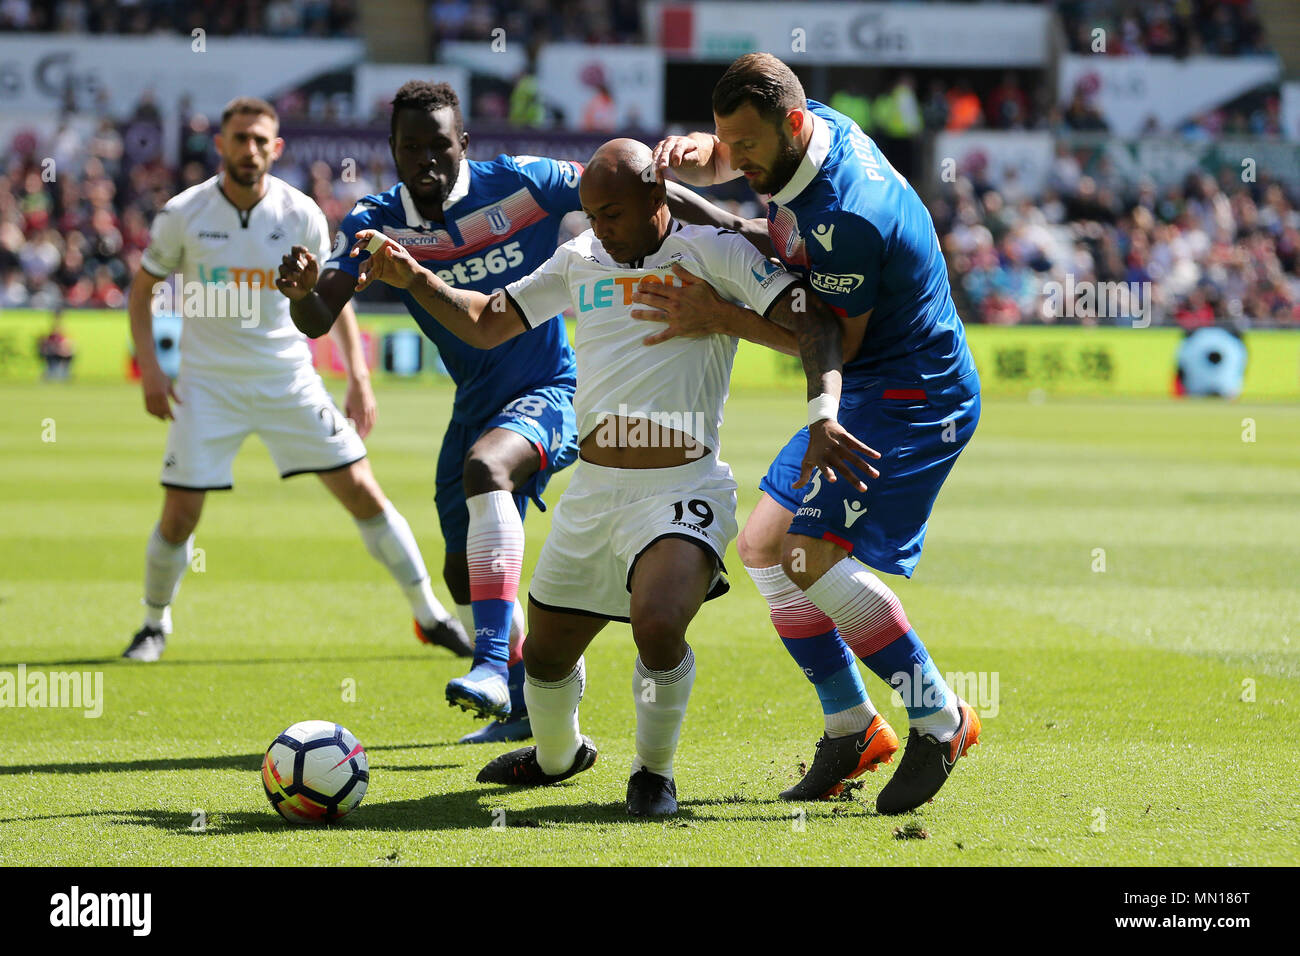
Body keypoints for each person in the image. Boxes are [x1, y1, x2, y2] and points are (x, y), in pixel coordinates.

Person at [346, 137, 865, 817]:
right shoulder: (579, 258)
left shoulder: (715, 253)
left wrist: (810, 400)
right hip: (593, 492)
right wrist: (415, 277)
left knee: (656, 625)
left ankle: (654, 773)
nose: (600, 228)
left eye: (612, 213)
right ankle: (559, 757)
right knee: (547, 660)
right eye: (591, 214)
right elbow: (482, 321)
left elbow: (815, 325)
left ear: (658, 197)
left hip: (683, 487)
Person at [280, 80, 769, 745]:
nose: (425, 160)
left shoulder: (522, 182)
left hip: (549, 388)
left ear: (464, 145)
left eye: (438, 146)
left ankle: (487, 664)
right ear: (391, 150)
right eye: (409, 148)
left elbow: (631, 186)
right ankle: (518, 706)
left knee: (489, 470)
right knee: (463, 571)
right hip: (474, 398)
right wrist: (305, 290)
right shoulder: (374, 223)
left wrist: (739, 228)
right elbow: (317, 317)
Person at [649, 53, 982, 815]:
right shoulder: (810, 126)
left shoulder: (846, 215)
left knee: (806, 553)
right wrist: (691, 157)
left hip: (913, 396)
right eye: (725, 140)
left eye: (748, 145)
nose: (736, 158)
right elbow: (725, 155)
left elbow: (835, 341)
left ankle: (940, 717)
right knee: (764, 545)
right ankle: (852, 726)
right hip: (868, 390)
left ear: (793, 125)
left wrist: (718, 315)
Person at [123, 97, 458, 663]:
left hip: (289, 377)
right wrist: (152, 369)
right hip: (208, 386)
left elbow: (335, 297)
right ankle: (154, 625)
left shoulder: (300, 211)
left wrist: (357, 375)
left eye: (260, 140)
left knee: (363, 491)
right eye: (239, 138)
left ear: (275, 148)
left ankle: (430, 614)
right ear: (222, 145)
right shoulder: (184, 212)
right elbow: (142, 289)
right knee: (179, 516)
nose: (249, 149)